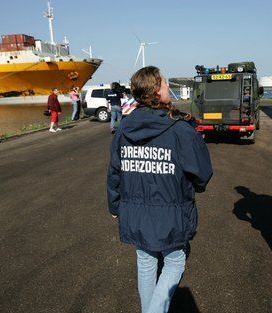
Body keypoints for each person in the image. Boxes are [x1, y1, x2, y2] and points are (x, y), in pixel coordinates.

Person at [107, 66, 213, 313]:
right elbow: (202, 173)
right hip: (171, 210)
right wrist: (195, 186)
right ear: (156, 91)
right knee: (175, 261)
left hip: (135, 211)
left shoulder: (124, 127)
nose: (168, 88)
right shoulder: (179, 129)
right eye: (165, 84)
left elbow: (114, 170)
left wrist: (115, 205)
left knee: (145, 262)